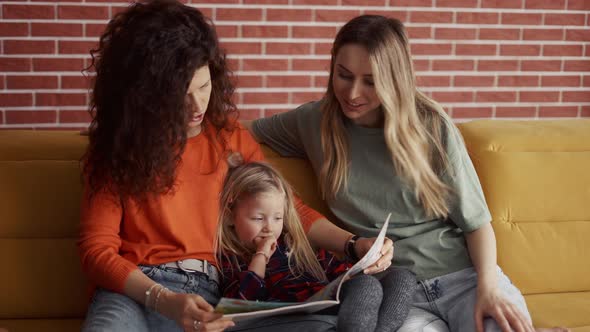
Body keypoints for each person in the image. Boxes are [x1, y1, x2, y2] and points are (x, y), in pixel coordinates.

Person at [77, 2, 393, 331]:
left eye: (203, 86)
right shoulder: (117, 147)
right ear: (145, 96)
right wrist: (163, 299)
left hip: (208, 292)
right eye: (180, 96)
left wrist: (354, 244)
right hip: (134, 289)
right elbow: (96, 250)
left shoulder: (228, 137)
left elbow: (286, 206)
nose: (197, 105)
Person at [245, 15, 570, 332]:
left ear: (394, 79)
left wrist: (488, 289)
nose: (353, 93)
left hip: (463, 279)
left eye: (371, 81)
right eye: (344, 75)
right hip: (398, 294)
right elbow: (238, 134)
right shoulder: (313, 122)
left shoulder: (430, 126)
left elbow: (477, 223)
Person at [216, 159, 416, 332]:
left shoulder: (293, 245)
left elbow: (337, 273)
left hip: (326, 301)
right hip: (293, 317)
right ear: (230, 217)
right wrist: (260, 257)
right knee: (366, 287)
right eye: (258, 218)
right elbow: (239, 306)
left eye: (278, 218)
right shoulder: (229, 257)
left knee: (401, 277)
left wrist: (363, 266)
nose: (269, 228)